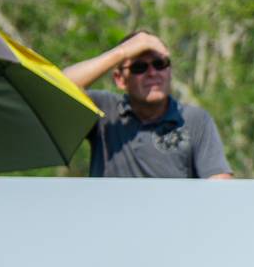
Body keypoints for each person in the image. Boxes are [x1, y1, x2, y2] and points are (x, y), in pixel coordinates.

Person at [62, 30, 233, 179]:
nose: (152, 73)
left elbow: (219, 183)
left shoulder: (194, 120)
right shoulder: (104, 109)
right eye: (139, 67)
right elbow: (59, 86)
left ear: (170, 71)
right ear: (120, 79)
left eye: (160, 64)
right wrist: (120, 53)